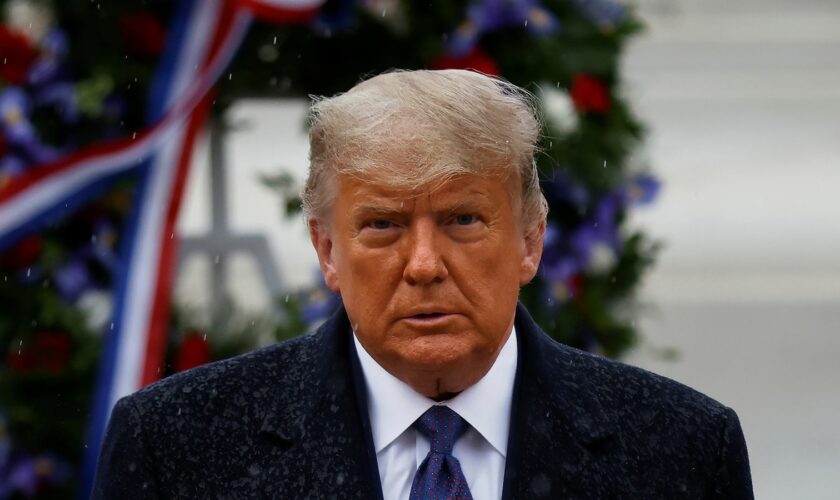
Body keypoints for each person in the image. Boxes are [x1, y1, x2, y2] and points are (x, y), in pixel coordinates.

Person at [92, 69, 753, 499]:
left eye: (463, 219)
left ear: (530, 239)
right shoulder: (175, 450)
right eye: (382, 225)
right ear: (326, 249)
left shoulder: (683, 453)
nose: (424, 264)